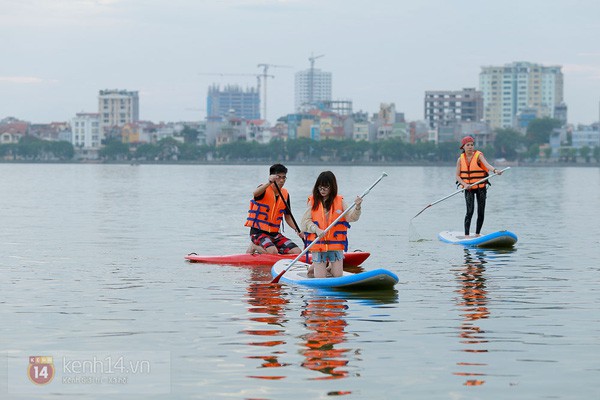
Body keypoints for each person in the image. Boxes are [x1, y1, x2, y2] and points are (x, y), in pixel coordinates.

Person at [301, 171, 362, 278]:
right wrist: (316, 229)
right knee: (320, 278)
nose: (322, 190)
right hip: (319, 245)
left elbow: (351, 218)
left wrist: (357, 207)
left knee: (338, 275)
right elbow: (305, 223)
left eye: (325, 187)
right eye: (320, 187)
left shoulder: (340, 201)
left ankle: (327, 267)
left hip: (335, 245)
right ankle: (315, 266)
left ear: (332, 187)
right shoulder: (313, 201)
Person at [245, 163, 304, 255]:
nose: (281, 180)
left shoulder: (285, 194)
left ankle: (275, 254)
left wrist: (297, 230)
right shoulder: (263, 189)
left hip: (274, 234)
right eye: (278, 177)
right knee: (273, 252)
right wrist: (269, 182)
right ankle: (254, 245)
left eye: (284, 177)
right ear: (272, 177)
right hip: (258, 232)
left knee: (297, 252)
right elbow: (255, 194)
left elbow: (288, 216)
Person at [455, 136, 503, 238]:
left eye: (472, 145)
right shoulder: (460, 160)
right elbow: (457, 176)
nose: (470, 147)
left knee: (481, 211)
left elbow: (488, 165)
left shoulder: (478, 156)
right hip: (469, 188)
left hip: (481, 188)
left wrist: (495, 170)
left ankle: (477, 234)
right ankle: (467, 235)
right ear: (463, 147)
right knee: (470, 211)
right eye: (468, 145)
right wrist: (464, 184)